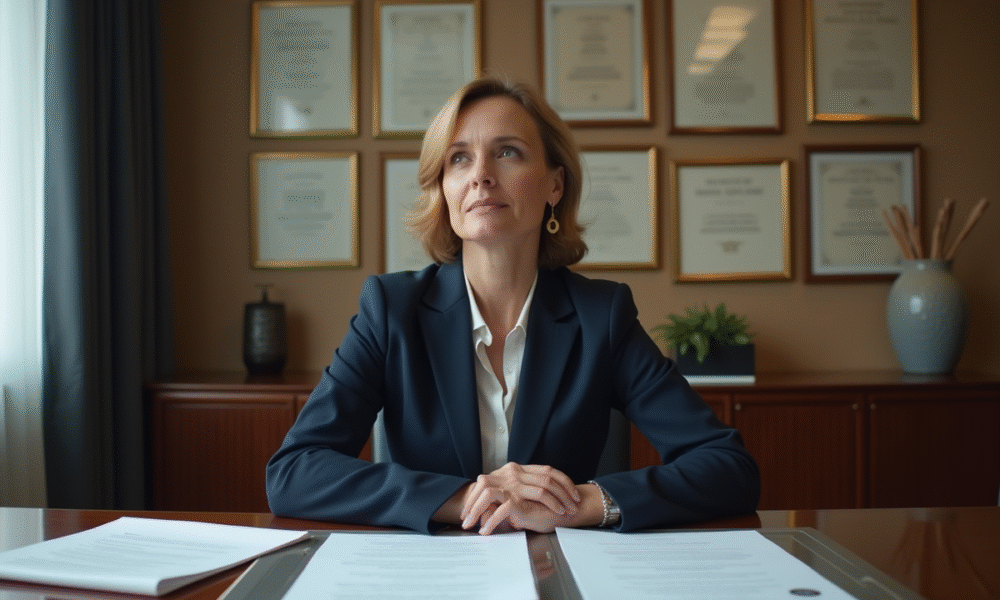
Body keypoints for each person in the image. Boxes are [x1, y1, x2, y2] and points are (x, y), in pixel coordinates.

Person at [266, 76, 760, 535]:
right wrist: (464, 499)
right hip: (429, 578)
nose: (481, 175)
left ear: (554, 185)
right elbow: (293, 473)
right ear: (444, 188)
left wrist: (585, 503)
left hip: (553, 571)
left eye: (507, 152)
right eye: (459, 158)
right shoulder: (391, 310)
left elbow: (727, 466)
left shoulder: (601, 316)